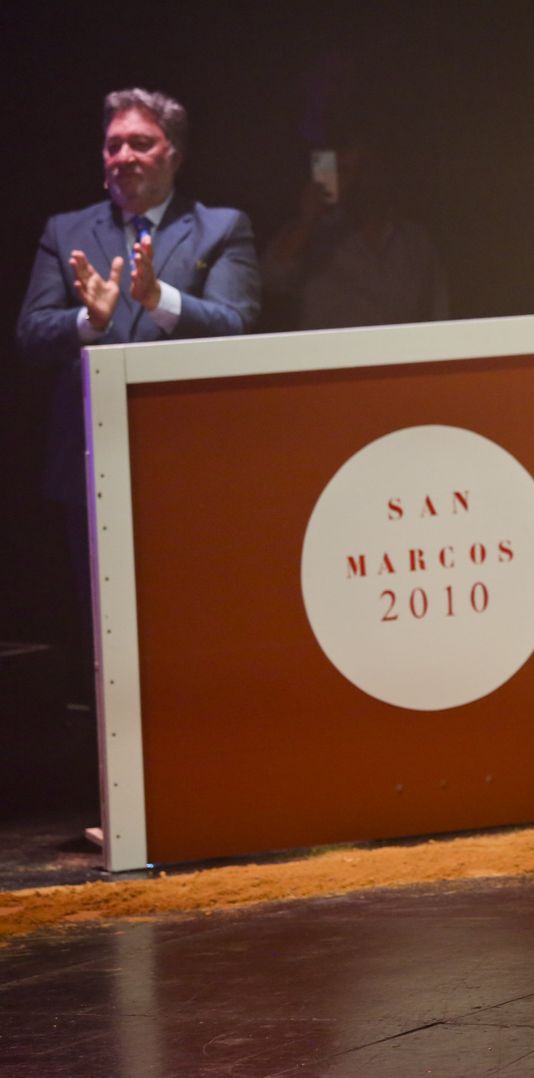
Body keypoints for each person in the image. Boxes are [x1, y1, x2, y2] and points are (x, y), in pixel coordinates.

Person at [15, 87, 260, 697]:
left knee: (193, 614)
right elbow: (29, 335)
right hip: (89, 462)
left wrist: (160, 300)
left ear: (173, 154)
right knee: (102, 626)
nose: (122, 154)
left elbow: (239, 324)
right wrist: (87, 322)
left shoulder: (220, 228)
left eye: (140, 143)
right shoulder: (64, 230)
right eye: (112, 143)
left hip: (192, 460)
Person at [261, 134, 447, 331]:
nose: (358, 180)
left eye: (365, 169)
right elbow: (271, 278)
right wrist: (307, 221)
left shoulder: (415, 241)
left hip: (399, 358)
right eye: (345, 170)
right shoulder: (314, 235)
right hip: (332, 358)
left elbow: (439, 314)